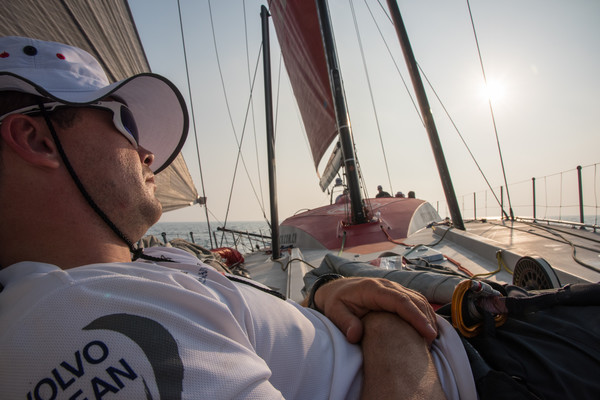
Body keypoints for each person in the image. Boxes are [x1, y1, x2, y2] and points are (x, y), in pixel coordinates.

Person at [0, 37, 475, 399]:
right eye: (123, 122)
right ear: (38, 140)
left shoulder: (116, 280)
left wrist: (328, 295)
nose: (146, 153)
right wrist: (390, 329)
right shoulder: (84, 319)